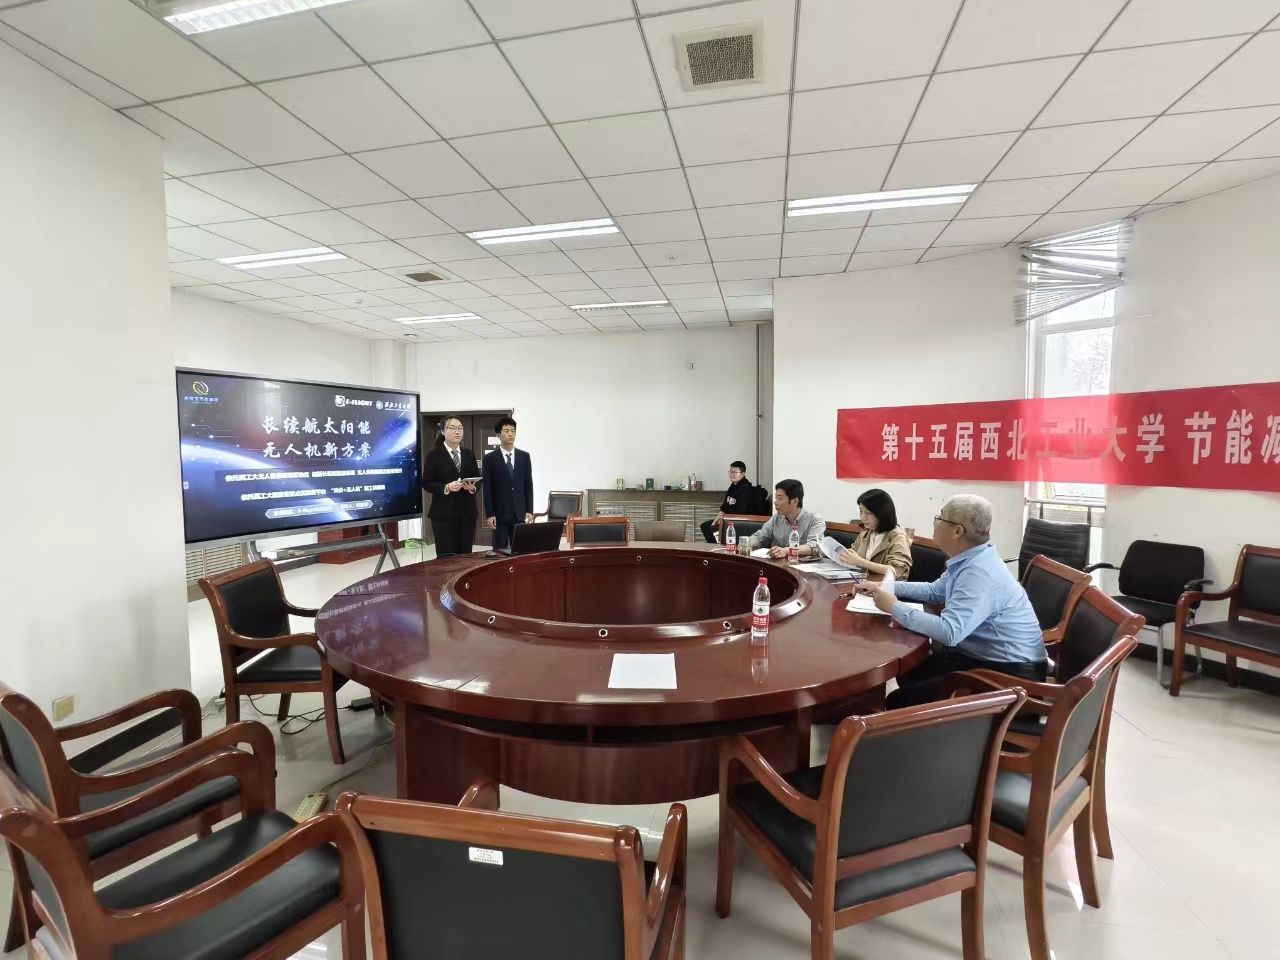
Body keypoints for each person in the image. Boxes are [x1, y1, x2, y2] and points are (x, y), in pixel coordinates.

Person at [853, 494, 1046, 708]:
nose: (935, 522)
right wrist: (885, 586)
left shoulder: (979, 572)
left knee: (898, 700)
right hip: (980, 656)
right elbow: (934, 590)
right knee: (910, 674)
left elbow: (949, 632)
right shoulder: (971, 557)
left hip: (1010, 675)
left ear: (957, 531)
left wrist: (893, 606)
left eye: (940, 517)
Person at [423, 415, 480, 557]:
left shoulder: (469, 454)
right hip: (444, 514)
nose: (457, 431)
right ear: (443, 431)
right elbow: (426, 483)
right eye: (453, 428)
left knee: (466, 557)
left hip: (467, 514)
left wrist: (472, 488)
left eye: (460, 428)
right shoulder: (434, 455)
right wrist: (446, 487)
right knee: (446, 558)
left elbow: (478, 480)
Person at [482, 416, 534, 551]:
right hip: (499, 515)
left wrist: (529, 510)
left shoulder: (524, 456)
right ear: (498, 435)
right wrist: (490, 514)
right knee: (499, 551)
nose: (510, 434)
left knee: (520, 550)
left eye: (513, 431)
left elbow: (528, 484)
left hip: (519, 513)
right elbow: (487, 489)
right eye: (506, 431)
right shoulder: (490, 459)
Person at [740, 479, 825, 560]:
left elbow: (815, 546)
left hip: (802, 566)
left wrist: (786, 551)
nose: (775, 502)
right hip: (778, 565)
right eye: (775, 498)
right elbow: (760, 537)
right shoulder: (776, 518)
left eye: (780, 498)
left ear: (795, 501)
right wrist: (747, 543)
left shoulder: (814, 520)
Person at [839, 488, 912, 580]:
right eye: (861, 511)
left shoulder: (898, 537)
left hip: (885, 587)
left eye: (868, 513)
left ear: (882, 514)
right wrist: (844, 556)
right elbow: (853, 554)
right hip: (864, 583)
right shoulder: (866, 534)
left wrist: (860, 561)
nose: (863, 517)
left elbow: (897, 570)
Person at [700, 460, 757, 543]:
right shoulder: (733, 486)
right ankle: (716, 547)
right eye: (730, 472)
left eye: (735, 472)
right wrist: (715, 521)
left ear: (742, 474)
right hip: (727, 519)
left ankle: (718, 547)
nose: (732, 474)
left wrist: (722, 521)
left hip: (739, 522)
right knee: (706, 526)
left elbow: (740, 512)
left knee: (711, 529)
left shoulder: (746, 489)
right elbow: (724, 508)